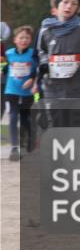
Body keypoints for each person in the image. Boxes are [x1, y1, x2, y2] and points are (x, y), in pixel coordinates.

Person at [4, 25, 39, 159]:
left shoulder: (33, 54)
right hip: (11, 90)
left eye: (27, 38)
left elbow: (37, 71)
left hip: (27, 92)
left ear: (30, 40)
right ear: (15, 40)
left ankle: (30, 140)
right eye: (21, 37)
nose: (24, 40)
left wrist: (32, 81)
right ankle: (14, 148)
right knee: (13, 116)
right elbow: (6, 67)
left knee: (26, 118)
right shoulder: (9, 53)